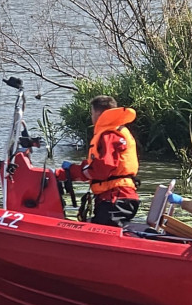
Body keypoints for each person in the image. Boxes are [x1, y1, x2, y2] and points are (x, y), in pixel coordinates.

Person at [56, 95, 140, 227]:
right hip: (118, 197)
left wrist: (82, 171)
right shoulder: (117, 131)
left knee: (103, 232)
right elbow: (96, 167)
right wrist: (66, 172)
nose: (92, 117)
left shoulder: (109, 135)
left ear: (99, 113)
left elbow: (102, 168)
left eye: (92, 113)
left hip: (115, 198)